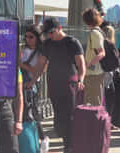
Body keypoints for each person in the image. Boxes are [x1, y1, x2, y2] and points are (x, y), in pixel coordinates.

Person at [27, 17, 86, 153]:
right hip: (53, 83)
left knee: (70, 114)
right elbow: (40, 65)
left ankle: (69, 146)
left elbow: (81, 64)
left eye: (51, 32)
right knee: (59, 115)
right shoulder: (47, 44)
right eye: (47, 33)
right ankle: (66, 140)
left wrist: (81, 80)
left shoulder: (72, 42)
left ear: (59, 28)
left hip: (69, 82)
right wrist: (32, 80)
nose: (50, 35)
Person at [19, 24, 49, 153]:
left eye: (31, 37)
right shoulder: (23, 49)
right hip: (22, 84)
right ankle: (34, 139)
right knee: (25, 113)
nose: (28, 39)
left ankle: (42, 138)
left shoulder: (41, 52)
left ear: (37, 37)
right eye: (26, 37)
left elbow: (40, 70)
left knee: (33, 113)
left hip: (33, 85)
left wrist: (23, 66)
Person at [82, 8, 106, 106]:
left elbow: (101, 53)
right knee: (94, 101)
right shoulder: (99, 31)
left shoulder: (94, 33)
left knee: (94, 102)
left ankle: (95, 121)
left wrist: (88, 64)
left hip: (94, 73)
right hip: (96, 72)